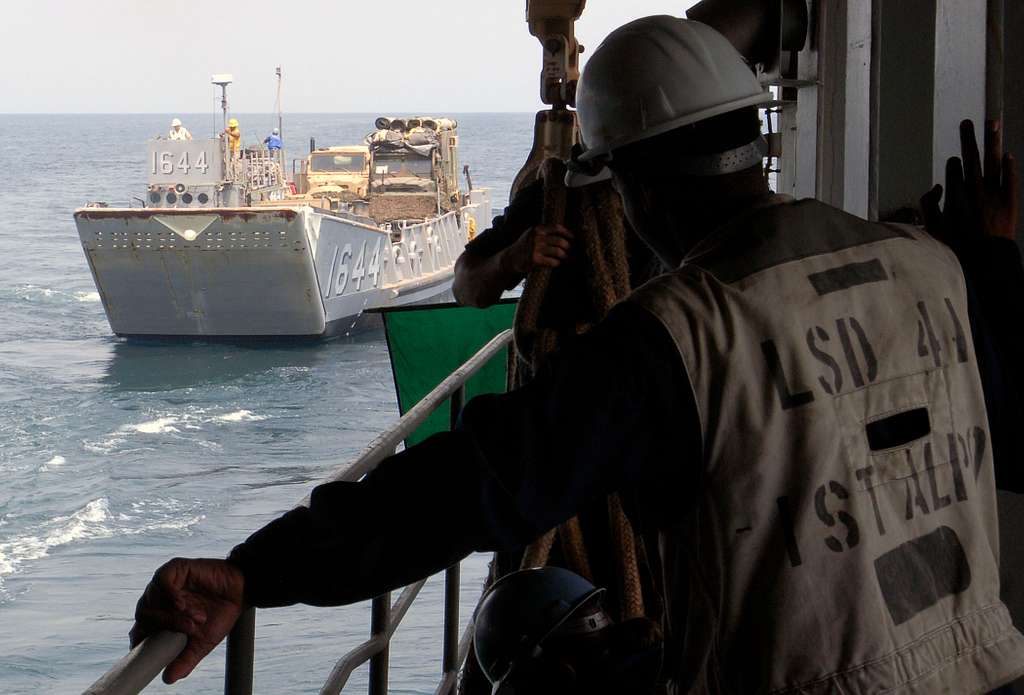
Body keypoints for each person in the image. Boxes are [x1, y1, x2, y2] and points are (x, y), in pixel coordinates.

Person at [130, 17, 1024, 693]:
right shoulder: (936, 267)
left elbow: (468, 488)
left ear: (629, 185)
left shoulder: (677, 333)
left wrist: (256, 569)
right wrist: (993, 261)